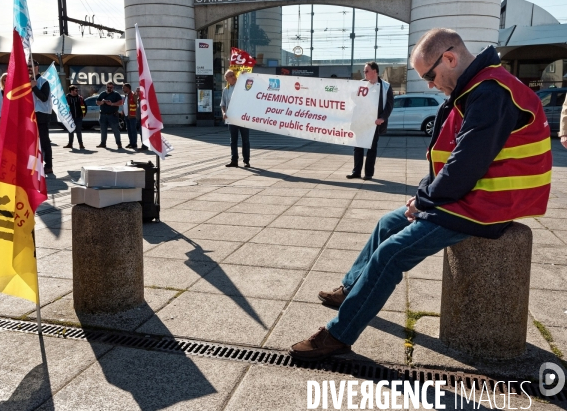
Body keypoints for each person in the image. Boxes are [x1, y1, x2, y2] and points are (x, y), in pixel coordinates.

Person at [289, 28, 552, 362]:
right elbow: (452, 158)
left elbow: (465, 164)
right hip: (469, 196)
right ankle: (351, 289)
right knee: (388, 223)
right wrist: (423, 198)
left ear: (450, 58)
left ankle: (338, 335)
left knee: (391, 254)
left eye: (430, 75)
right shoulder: (477, 86)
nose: (430, 84)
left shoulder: (491, 91)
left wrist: (425, 201)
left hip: (486, 206)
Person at [346, 61, 394, 180]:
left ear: (375, 71)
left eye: (366, 71)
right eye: (364, 71)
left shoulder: (385, 86)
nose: (364, 73)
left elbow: (389, 105)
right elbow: (352, 100)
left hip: (375, 123)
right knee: (358, 147)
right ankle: (356, 172)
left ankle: (368, 174)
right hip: (360, 121)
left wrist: (382, 118)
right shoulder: (360, 84)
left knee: (372, 148)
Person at [221, 69, 250, 168]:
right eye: (231, 75)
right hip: (232, 118)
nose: (233, 76)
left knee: (245, 140)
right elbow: (223, 104)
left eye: (233, 75)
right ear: (227, 79)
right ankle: (234, 161)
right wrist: (224, 113)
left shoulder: (241, 86)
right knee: (233, 140)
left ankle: (246, 161)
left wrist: (244, 75)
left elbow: (249, 85)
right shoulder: (226, 90)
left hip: (243, 117)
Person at [29, 61, 53, 175]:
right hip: (30, 114)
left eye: (30, 66)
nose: (28, 68)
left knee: (44, 141)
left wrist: (34, 88)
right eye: (27, 66)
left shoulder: (43, 82)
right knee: (31, 141)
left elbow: (44, 98)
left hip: (41, 114)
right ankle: (33, 164)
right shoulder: (26, 81)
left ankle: (48, 165)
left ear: (37, 67)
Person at [96, 81, 123, 149]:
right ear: (106, 87)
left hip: (113, 115)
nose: (109, 88)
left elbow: (120, 102)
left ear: (113, 87)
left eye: (110, 87)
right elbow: (97, 102)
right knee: (103, 130)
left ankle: (119, 143)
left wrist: (111, 104)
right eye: (108, 87)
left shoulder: (116, 94)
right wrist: (101, 102)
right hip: (103, 115)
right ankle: (103, 143)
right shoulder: (102, 94)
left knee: (115, 130)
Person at [64, 85, 87, 150]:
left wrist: (83, 114)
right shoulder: (66, 98)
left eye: (77, 90)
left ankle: (81, 144)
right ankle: (70, 144)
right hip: (70, 118)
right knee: (70, 131)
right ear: (71, 91)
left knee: (78, 131)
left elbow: (84, 107)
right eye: (76, 90)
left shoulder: (80, 98)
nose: (77, 91)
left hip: (78, 117)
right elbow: (64, 107)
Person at [122, 83, 138, 149]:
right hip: (127, 116)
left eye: (124, 88)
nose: (123, 89)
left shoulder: (133, 94)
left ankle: (134, 144)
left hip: (132, 116)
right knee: (129, 130)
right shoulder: (126, 95)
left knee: (133, 130)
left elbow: (137, 103)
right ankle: (131, 142)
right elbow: (125, 104)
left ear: (128, 88)